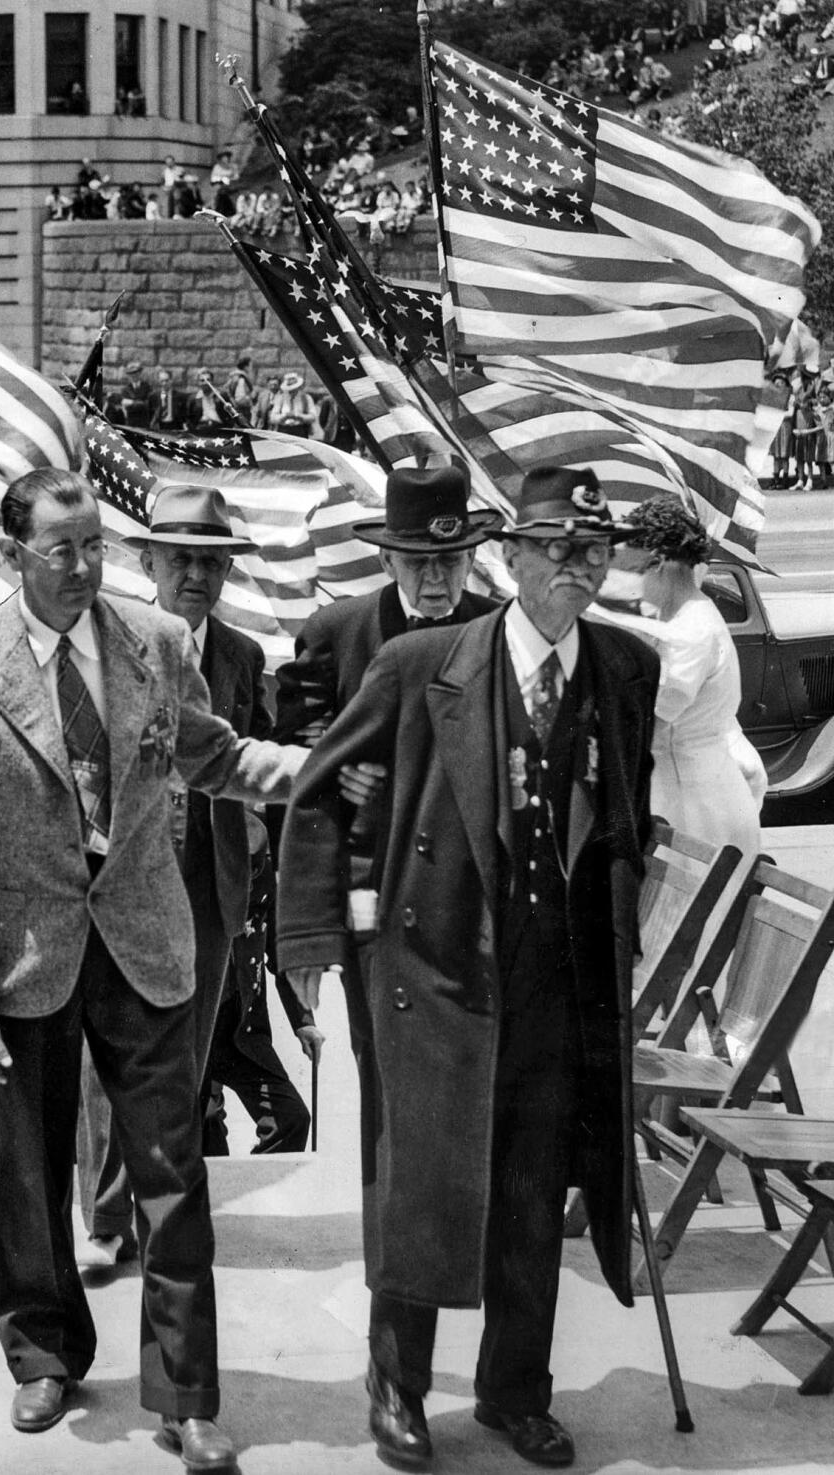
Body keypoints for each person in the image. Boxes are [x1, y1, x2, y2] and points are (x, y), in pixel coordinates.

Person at [0, 467, 307, 1471]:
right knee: (26, 1175)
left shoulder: (158, 644)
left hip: (145, 947)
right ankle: (45, 1350)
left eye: (95, 546)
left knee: (171, 1173)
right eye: (61, 550)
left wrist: (320, 767)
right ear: (11, 555)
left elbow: (210, 756)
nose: (85, 568)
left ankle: (187, 1390)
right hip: (24, 963)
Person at [277, 466, 659, 1471]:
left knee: (534, 1193)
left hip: (562, 984)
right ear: (515, 556)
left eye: (593, 547)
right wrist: (318, 939)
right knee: (427, 1188)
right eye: (555, 547)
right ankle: (397, 1384)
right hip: (438, 974)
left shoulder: (625, 667)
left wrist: (628, 919)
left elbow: (628, 813)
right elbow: (322, 794)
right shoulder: (421, 663)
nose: (575, 565)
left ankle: (514, 1391)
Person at [73, 484, 295, 1261]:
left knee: (190, 1053)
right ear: (149, 561)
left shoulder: (241, 656)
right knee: (116, 1056)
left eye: (211, 563)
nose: (196, 576)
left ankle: (158, 1209)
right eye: (180, 560)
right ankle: (105, 1218)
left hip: (210, 876)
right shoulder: (114, 640)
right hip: (133, 876)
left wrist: (259, 833)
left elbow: (248, 754)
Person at [274, 465, 500, 748]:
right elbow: (299, 744)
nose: (435, 577)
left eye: (449, 560)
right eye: (417, 562)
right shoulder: (334, 631)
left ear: (470, 556)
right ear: (388, 562)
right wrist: (341, 773)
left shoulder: (498, 627)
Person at [603, 495, 766, 858]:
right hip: (692, 790)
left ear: (658, 563)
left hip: (692, 806)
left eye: (632, 568)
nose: (630, 582)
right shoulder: (684, 618)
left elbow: (648, 727)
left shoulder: (690, 633)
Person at [201, 815, 320, 1156]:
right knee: (204, 1133)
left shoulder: (262, 873)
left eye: (255, 872)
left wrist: (304, 1022)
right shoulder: (195, 880)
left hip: (241, 1031)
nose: (250, 884)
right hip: (194, 1032)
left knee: (292, 1120)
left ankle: (253, 1196)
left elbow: (279, 951)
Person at [268, 372, 321, 437]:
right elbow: (273, 417)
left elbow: (313, 417)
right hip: (283, 430)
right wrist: (284, 416)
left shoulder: (306, 398)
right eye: (289, 389)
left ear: (298, 387)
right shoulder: (281, 398)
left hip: (300, 430)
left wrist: (298, 416)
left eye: (294, 389)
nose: (292, 391)